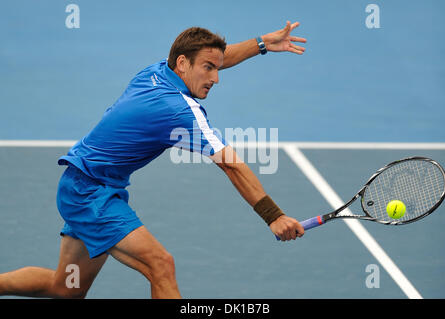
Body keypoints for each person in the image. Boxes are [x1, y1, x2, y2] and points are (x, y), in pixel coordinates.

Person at [0, 21, 307, 299]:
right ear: (184, 64)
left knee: (65, 287)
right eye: (209, 69)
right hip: (90, 195)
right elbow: (230, 164)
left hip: (86, 183)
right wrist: (273, 216)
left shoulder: (158, 71)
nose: (216, 77)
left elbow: (216, 57)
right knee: (161, 265)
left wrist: (262, 43)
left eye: (217, 67)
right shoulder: (179, 111)